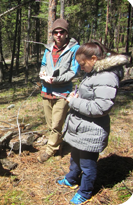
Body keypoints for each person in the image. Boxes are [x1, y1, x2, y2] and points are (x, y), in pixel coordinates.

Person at [56, 42, 129, 204]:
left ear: (94, 59)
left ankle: (85, 192)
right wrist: (76, 95)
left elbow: (100, 107)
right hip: (80, 126)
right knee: (75, 157)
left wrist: (73, 102)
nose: (81, 68)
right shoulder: (94, 72)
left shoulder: (107, 76)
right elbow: (90, 95)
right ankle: (71, 179)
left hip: (91, 130)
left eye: (82, 64)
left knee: (88, 165)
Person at [38, 18, 82, 162]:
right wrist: (43, 73)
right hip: (46, 90)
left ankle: (50, 150)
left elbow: (73, 71)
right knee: (50, 124)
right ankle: (58, 143)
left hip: (63, 92)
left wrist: (56, 80)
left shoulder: (74, 49)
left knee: (57, 124)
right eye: (55, 32)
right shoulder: (48, 49)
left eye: (61, 32)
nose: (58, 35)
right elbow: (44, 64)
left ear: (66, 33)